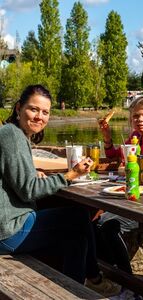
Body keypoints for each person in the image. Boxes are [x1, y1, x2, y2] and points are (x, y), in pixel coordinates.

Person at [0, 84, 102, 285]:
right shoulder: (12, 134)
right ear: (19, 108)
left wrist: (31, 172)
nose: (39, 116)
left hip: (8, 226)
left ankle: (77, 287)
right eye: (33, 109)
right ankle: (93, 279)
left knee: (77, 233)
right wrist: (71, 174)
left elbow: (14, 176)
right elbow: (28, 190)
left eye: (45, 112)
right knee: (79, 217)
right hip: (8, 231)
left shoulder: (12, 133)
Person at [95, 96, 143, 275]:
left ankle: (126, 279)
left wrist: (126, 162)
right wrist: (107, 137)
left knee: (106, 224)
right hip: (135, 194)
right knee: (94, 219)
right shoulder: (136, 136)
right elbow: (115, 155)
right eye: (135, 116)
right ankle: (106, 272)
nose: (140, 120)